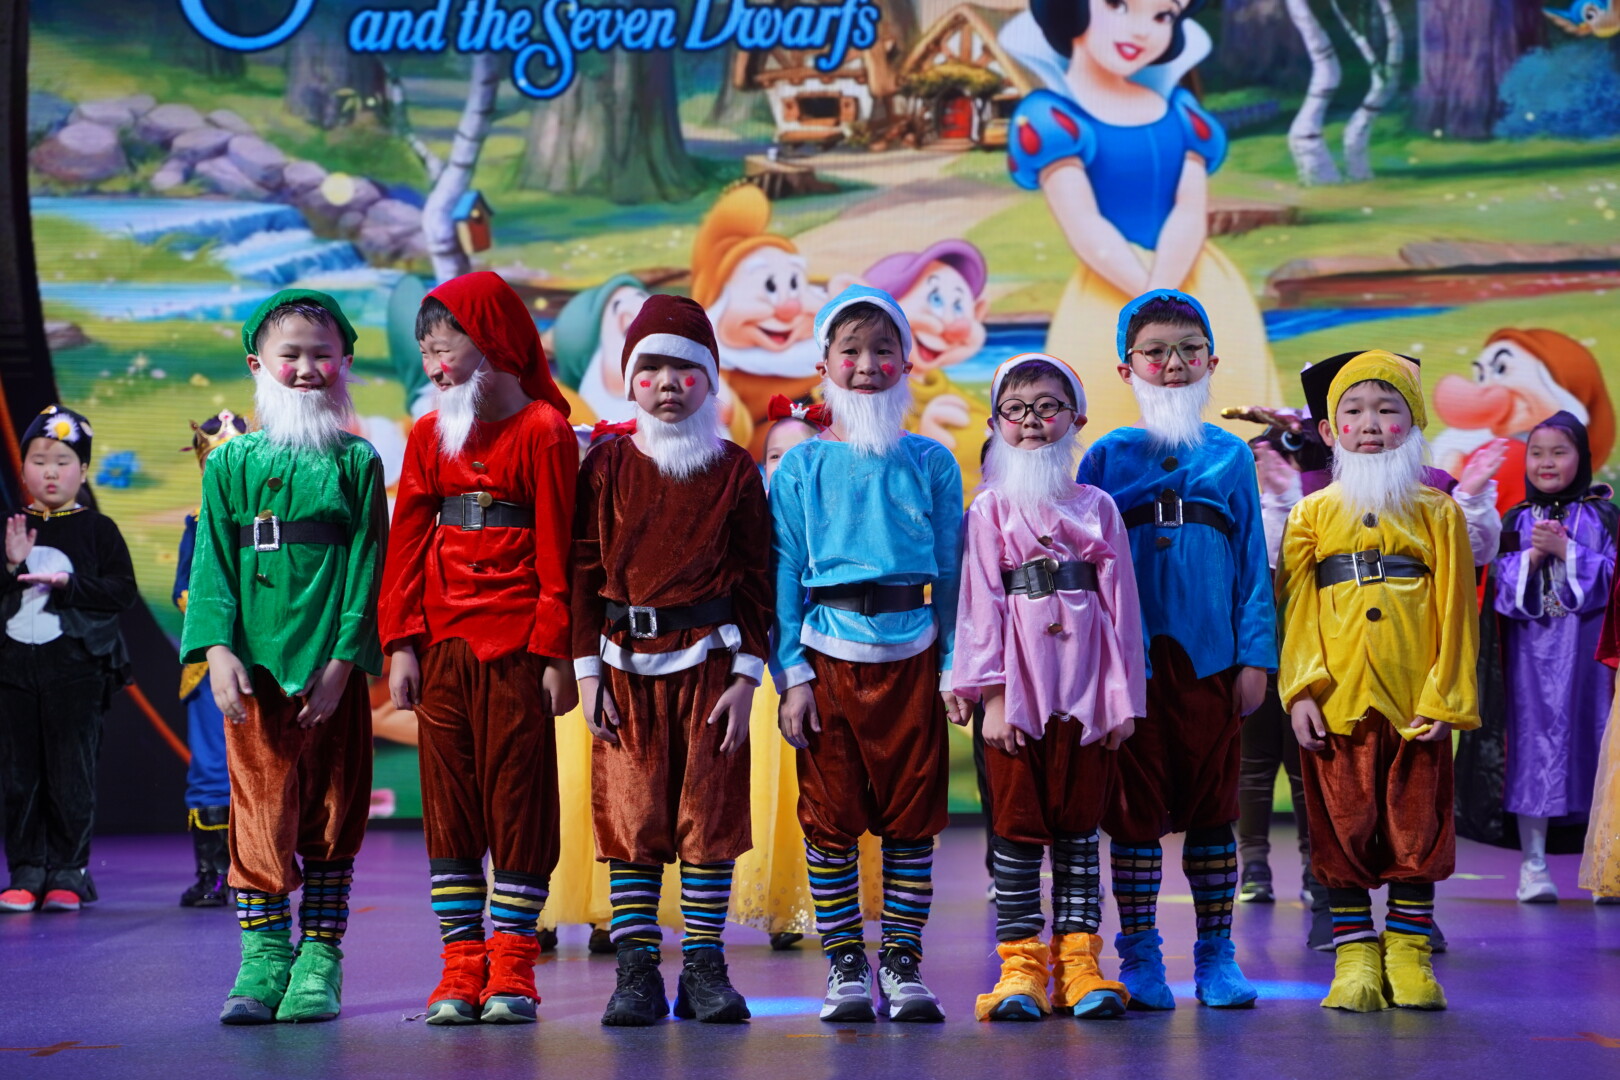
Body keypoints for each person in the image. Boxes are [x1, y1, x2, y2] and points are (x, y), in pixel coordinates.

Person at [181, 289, 387, 1024]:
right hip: (255, 677)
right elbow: (212, 564)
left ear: (344, 363)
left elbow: (367, 568)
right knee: (260, 813)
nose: (305, 368)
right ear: (257, 364)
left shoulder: (357, 461)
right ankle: (263, 959)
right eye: (290, 355)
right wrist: (217, 650)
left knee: (332, 811)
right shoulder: (231, 463)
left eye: (321, 355)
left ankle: (319, 959)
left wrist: (342, 663)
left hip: (330, 676)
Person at [379, 271, 579, 1024]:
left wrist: (556, 654)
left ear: (491, 342)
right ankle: (460, 967)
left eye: (446, 349)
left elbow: (561, 550)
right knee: (450, 802)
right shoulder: (428, 435)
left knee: (519, 800)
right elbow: (406, 543)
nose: (435, 367)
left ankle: (513, 967)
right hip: (443, 646)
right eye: (426, 352)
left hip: (519, 645)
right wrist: (402, 644)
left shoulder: (544, 431)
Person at [573, 294, 773, 1026]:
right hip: (624, 669)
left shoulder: (734, 471)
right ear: (630, 380)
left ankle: (704, 967)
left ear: (708, 383)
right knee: (632, 819)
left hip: (712, 669)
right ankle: (635, 972)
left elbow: (757, 577)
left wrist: (748, 675)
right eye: (650, 369)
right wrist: (587, 672)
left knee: (707, 818)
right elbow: (581, 571)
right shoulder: (605, 467)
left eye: (683, 370)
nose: (666, 383)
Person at [772, 285, 965, 1023]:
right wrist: (791, 675)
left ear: (906, 364)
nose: (865, 365)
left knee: (913, 819)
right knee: (829, 817)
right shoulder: (800, 468)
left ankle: (903, 962)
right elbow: (783, 572)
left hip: (913, 654)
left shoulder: (932, 462)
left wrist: (953, 666)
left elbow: (951, 576)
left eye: (883, 351)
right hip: (828, 656)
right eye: (849, 351)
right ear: (823, 364)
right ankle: (845, 963)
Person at [1077, 289, 1273, 1010]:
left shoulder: (1230, 457)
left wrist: (1256, 658)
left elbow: (1252, 564)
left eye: (1189, 351)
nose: (1173, 364)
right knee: (1133, 815)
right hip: (1131, 669)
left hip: (1214, 664)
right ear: (1127, 368)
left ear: (1211, 362)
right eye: (1155, 352)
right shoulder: (1106, 456)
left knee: (1214, 811)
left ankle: (1217, 957)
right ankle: (1140, 957)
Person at [1278, 350, 1478, 1012]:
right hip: (1338, 700)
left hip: (1416, 700)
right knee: (1342, 825)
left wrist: (1446, 697)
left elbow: (1457, 611)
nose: (1370, 424)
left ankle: (1409, 951)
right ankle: (1355, 954)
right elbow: (1296, 610)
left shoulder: (1438, 512)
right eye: (1354, 412)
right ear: (1329, 431)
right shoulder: (1311, 515)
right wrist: (1301, 690)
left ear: (1412, 425)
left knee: (1416, 827)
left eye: (1387, 410)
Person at [952, 353, 1145, 1022]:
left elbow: (1123, 611)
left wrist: (1123, 700)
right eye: (1016, 409)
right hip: (1019, 696)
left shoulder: (1099, 508)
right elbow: (979, 606)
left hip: (1086, 693)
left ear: (1076, 419)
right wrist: (992, 696)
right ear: (996, 424)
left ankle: (1079, 964)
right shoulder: (988, 510)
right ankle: (1021, 967)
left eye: (1047, 407)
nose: (1032, 421)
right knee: (1015, 832)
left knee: (1080, 832)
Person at [1002, 0, 1281, 440]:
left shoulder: (1181, 111)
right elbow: (1084, 223)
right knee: (1106, 421)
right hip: (1109, 287)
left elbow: (1189, 209)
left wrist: (1165, 300)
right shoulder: (1051, 116)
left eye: (1162, 15)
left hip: (1198, 280)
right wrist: (1150, 305)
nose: (1141, 29)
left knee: (1226, 420)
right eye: (1119, 5)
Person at [0, 405, 136, 914]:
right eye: (39, 461)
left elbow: (121, 591)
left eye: (63, 461)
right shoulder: (10, 526)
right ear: (22, 470)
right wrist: (10, 563)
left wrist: (69, 584)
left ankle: (67, 870)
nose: (51, 472)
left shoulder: (98, 530)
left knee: (70, 773)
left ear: (83, 470)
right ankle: (26, 871)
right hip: (13, 672)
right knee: (18, 775)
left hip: (76, 671)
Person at [1491, 411, 1616, 903]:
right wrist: (1533, 557)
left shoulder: (1605, 516)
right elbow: (1499, 584)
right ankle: (1534, 865)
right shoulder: (1516, 519)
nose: (1546, 462)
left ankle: (1607, 865)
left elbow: (1616, 579)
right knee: (1533, 749)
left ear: (1582, 458)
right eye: (1537, 453)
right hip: (1531, 659)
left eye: (1559, 452)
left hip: (1592, 656)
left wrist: (1569, 553)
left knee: (1600, 745)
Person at [175, 409, 250, 908]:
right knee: (209, 767)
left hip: (263, 662)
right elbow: (182, 589)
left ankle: (260, 866)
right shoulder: (198, 524)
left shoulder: (268, 522)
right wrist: (216, 611)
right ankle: (213, 874)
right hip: (209, 667)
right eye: (215, 464)